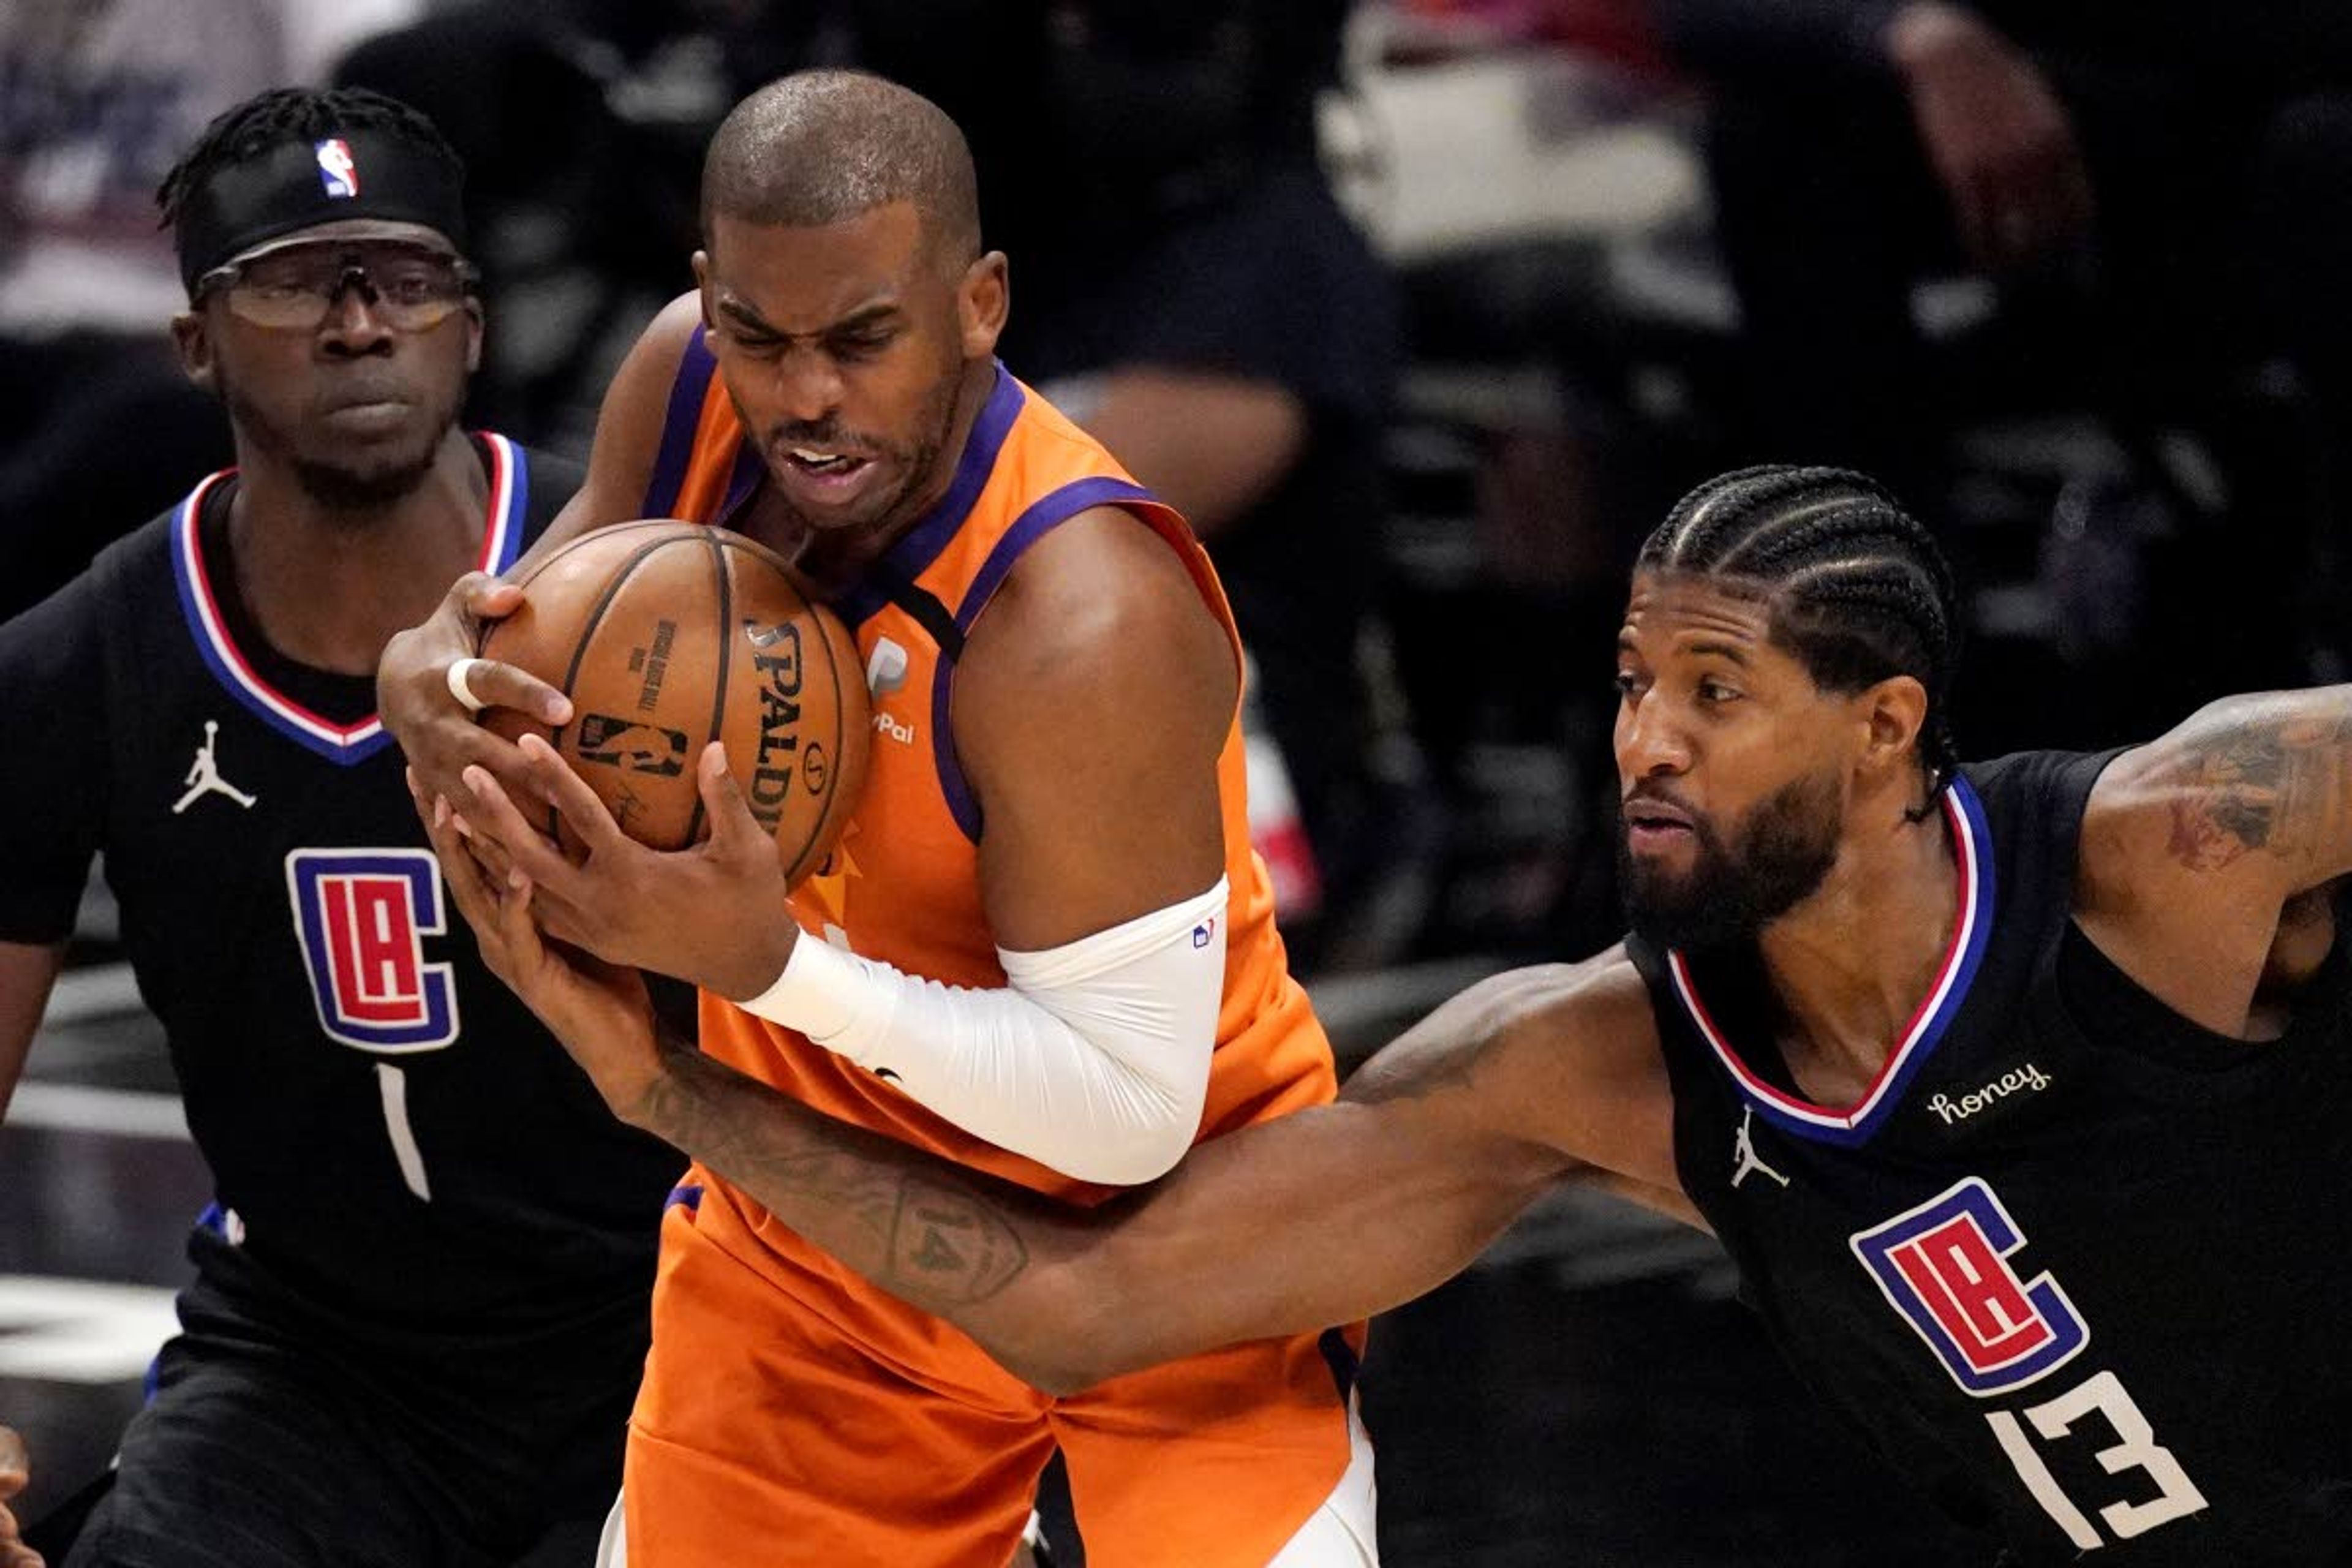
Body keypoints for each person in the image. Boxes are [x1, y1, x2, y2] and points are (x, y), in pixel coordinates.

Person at [438, 462, 2352, 1564]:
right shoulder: (1591, 1066)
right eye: (1625, 683)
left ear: (1887, 729)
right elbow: (1077, 1304)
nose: (1641, 746)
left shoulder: (2186, 848)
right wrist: (663, 1081)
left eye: (1712, 691)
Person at [383, 70, 1375, 1568]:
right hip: (822, 1233)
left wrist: (767, 963)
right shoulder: (688, 388)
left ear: (979, 303)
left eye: (863, 340)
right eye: (762, 337)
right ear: (709, 296)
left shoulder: (1078, 615)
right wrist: (428, 678)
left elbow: (1127, 1112)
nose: (805, 399)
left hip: (1169, 1261)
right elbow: (519, 646)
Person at [0, 86, 686, 1567]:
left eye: (410, 279)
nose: (362, 323)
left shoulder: (658, 609)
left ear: (477, 326)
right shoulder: (80, 665)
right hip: (321, 1362)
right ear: (193, 337)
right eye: (300, 281)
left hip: (676, 1323)